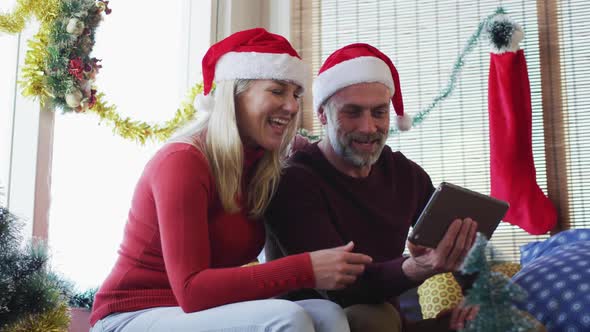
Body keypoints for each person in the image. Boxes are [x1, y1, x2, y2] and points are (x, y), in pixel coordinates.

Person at [89, 29, 373, 332]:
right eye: (277, 91)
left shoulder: (260, 164)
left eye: (295, 94)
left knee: (327, 313)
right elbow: (191, 290)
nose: (292, 107)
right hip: (131, 315)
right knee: (287, 318)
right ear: (234, 95)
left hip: (193, 313)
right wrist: (305, 270)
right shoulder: (183, 161)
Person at [264, 43, 479, 332]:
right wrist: (415, 267)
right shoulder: (294, 181)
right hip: (314, 318)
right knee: (371, 317)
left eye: (378, 113)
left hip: (385, 315)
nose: (368, 127)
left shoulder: (405, 175)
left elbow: (469, 245)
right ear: (323, 115)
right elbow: (343, 290)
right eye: (352, 113)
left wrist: (476, 299)